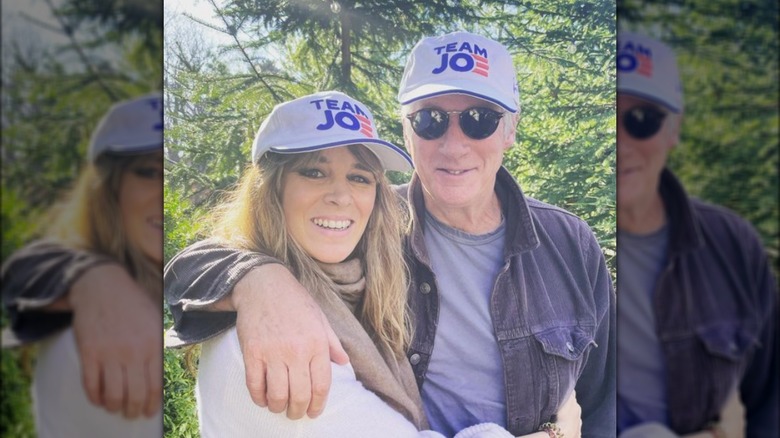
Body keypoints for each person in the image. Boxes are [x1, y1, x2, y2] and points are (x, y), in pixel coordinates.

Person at [165, 32, 614, 437]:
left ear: (511, 128)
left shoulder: (570, 245)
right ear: (406, 129)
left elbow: (609, 401)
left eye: (480, 119)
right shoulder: (368, 227)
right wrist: (257, 279)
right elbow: (199, 264)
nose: (453, 143)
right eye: (430, 120)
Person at [615, 32, 778, 437]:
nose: (620, 144)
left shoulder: (733, 245)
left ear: (674, 130)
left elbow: (771, 397)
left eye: (642, 121)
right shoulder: (560, 243)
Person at [1, 94, 164, 437]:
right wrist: (92, 277)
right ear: (109, 192)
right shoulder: (101, 338)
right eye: (149, 172)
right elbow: (18, 272)